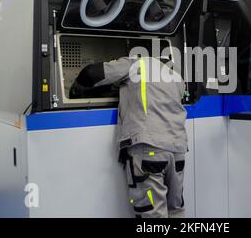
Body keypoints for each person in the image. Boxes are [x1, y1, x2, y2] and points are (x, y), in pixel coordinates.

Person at [73, 56, 188, 218]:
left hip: (149, 149)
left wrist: (75, 88)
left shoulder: (136, 64)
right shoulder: (175, 74)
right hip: (177, 151)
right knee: (176, 210)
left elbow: (91, 74)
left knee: (152, 214)